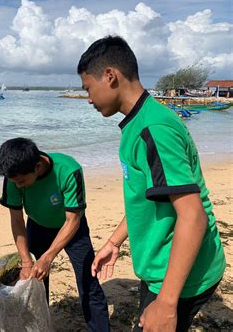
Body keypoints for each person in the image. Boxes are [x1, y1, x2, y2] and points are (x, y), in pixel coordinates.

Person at [77, 36, 226, 331]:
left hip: (179, 275)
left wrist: (168, 303)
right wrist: (115, 241)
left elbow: (192, 216)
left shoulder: (153, 129)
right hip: (164, 266)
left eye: (88, 89)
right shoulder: (139, 122)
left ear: (110, 76)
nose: (89, 99)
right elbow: (149, 198)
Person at [0, 138, 110, 332]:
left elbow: (73, 219)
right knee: (36, 283)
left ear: (38, 167)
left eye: (22, 182)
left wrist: (48, 257)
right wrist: (26, 261)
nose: (18, 186)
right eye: (15, 182)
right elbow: (17, 220)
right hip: (38, 224)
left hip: (72, 227)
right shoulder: (13, 177)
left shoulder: (68, 170)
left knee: (88, 282)